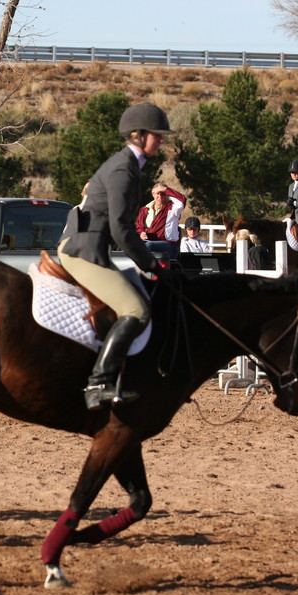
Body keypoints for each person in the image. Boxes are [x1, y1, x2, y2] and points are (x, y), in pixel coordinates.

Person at [58, 102, 172, 411]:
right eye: (157, 135)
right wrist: (150, 263)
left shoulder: (129, 166)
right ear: (138, 135)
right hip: (84, 250)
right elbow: (121, 229)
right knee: (135, 309)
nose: (161, 140)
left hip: (92, 247)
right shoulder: (123, 169)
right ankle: (98, 383)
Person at [135, 183, 185, 257]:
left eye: (163, 194)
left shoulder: (173, 208)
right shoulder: (145, 209)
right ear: (153, 194)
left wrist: (165, 189)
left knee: (147, 245)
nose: (160, 197)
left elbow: (182, 200)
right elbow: (138, 226)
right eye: (158, 194)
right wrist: (141, 234)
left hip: (169, 245)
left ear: (168, 194)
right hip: (146, 242)